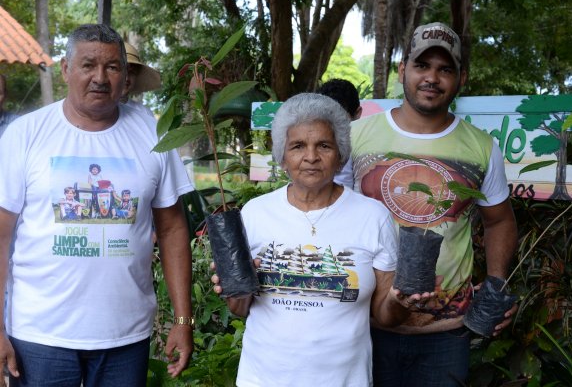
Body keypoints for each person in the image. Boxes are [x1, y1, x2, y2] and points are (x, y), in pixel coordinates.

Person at [0, 24, 194, 385]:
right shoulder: (26, 135)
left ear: (125, 74)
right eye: (88, 65)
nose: (100, 78)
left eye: (113, 67)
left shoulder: (153, 134)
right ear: (65, 69)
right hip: (40, 334)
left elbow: (172, 229)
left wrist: (183, 321)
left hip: (126, 335)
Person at [211, 93, 437, 387]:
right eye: (297, 146)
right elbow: (239, 309)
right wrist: (236, 289)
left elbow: (384, 316)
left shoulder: (372, 216)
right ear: (282, 156)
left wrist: (398, 300)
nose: (311, 157)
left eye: (324, 145)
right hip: (262, 378)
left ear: (340, 154)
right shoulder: (255, 213)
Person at [337, 22, 518, 386]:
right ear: (402, 70)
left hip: (445, 334)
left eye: (444, 69)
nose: (432, 77)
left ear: (460, 78)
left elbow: (499, 221)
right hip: (361, 325)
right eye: (422, 65)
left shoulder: (482, 147)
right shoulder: (355, 137)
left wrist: (496, 284)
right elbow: (331, 213)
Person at [121, 42, 161, 117]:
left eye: (131, 72)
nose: (126, 78)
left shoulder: (145, 113)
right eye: (121, 70)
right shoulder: (95, 110)